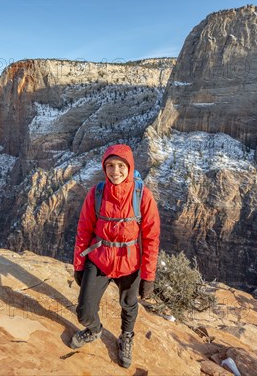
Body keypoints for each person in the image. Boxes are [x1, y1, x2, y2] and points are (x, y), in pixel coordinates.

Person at [71, 143, 160, 368]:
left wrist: (148, 276)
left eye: (121, 165)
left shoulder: (143, 196)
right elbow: (83, 231)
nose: (115, 171)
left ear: (130, 167)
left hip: (130, 263)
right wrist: (79, 265)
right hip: (99, 258)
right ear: (104, 167)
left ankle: (126, 336)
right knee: (83, 310)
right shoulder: (97, 193)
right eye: (110, 165)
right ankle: (94, 329)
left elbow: (151, 238)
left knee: (129, 305)